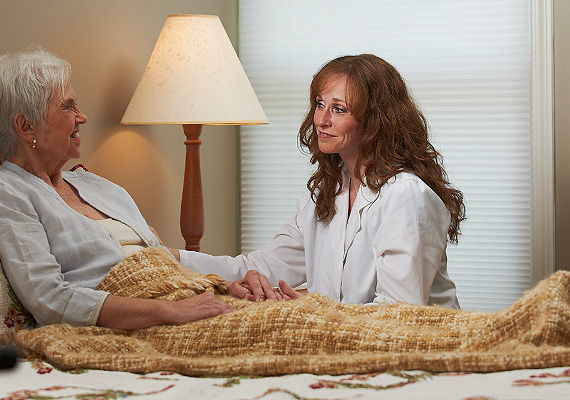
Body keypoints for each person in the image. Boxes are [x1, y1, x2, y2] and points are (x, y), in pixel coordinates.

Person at [0, 46, 234, 329]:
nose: (81, 117)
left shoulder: (95, 184)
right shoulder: (6, 188)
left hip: (178, 299)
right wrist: (169, 311)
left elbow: (164, 259)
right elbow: (50, 301)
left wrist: (228, 286)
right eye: (68, 106)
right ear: (26, 126)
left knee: (281, 307)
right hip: (145, 323)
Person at [172, 54, 465, 309]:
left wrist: (313, 307)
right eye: (319, 104)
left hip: (423, 349)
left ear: (376, 121)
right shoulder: (327, 194)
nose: (321, 120)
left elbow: (398, 312)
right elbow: (256, 268)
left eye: (339, 109)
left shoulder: (406, 195)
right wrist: (168, 256)